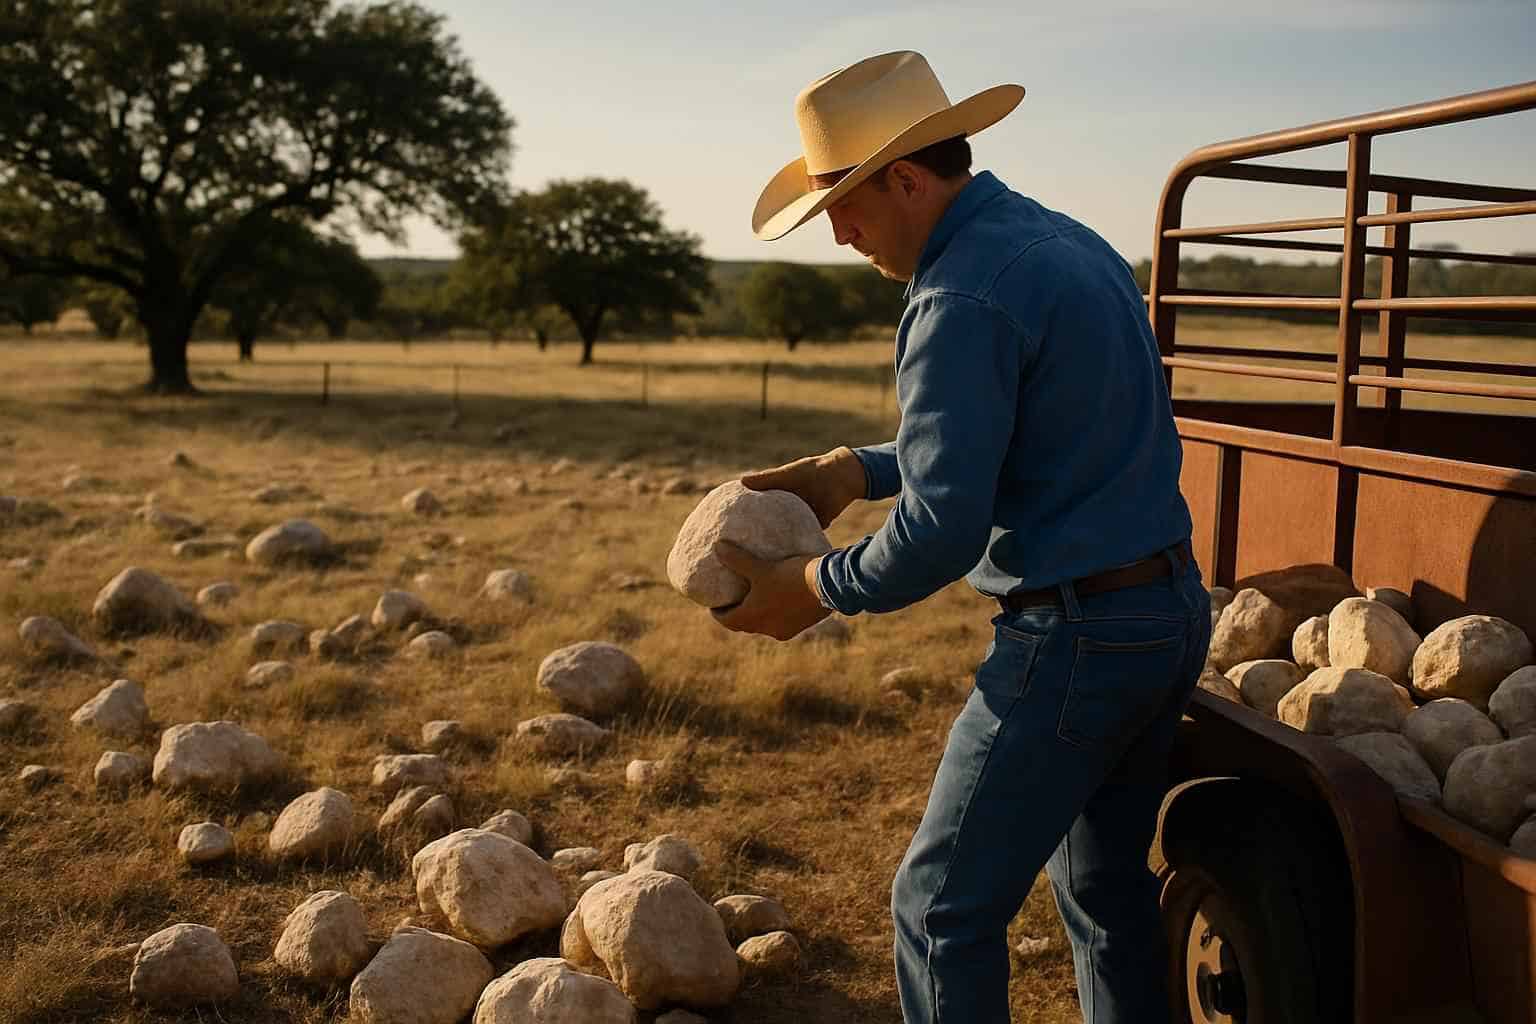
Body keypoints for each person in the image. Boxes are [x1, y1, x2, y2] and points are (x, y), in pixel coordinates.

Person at [711, 51, 1213, 1023]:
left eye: (847, 207)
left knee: (938, 912)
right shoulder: (1066, 244)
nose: (842, 235)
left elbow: (943, 531)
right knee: (1106, 899)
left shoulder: (956, 296)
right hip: (1165, 616)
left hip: (1073, 642)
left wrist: (811, 587)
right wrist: (854, 468)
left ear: (907, 178)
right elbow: (1022, 433)